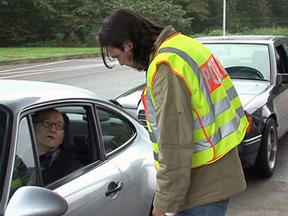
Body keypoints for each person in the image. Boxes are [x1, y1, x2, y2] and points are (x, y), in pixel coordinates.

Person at [98, 9, 249, 216]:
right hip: (218, 173)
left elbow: (175, 144)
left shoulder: (166, 67)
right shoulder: (184, 45)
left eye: (117, 56)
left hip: (201, 187)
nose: (121, 63)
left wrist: (164, 203)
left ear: (128, 45)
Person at [11, 108, 82, 193]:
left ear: (62, 137)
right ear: (32, 126)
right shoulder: (14, 153)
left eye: (58, 126)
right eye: (47, 123)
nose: (52, 129)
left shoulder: (72, 170)